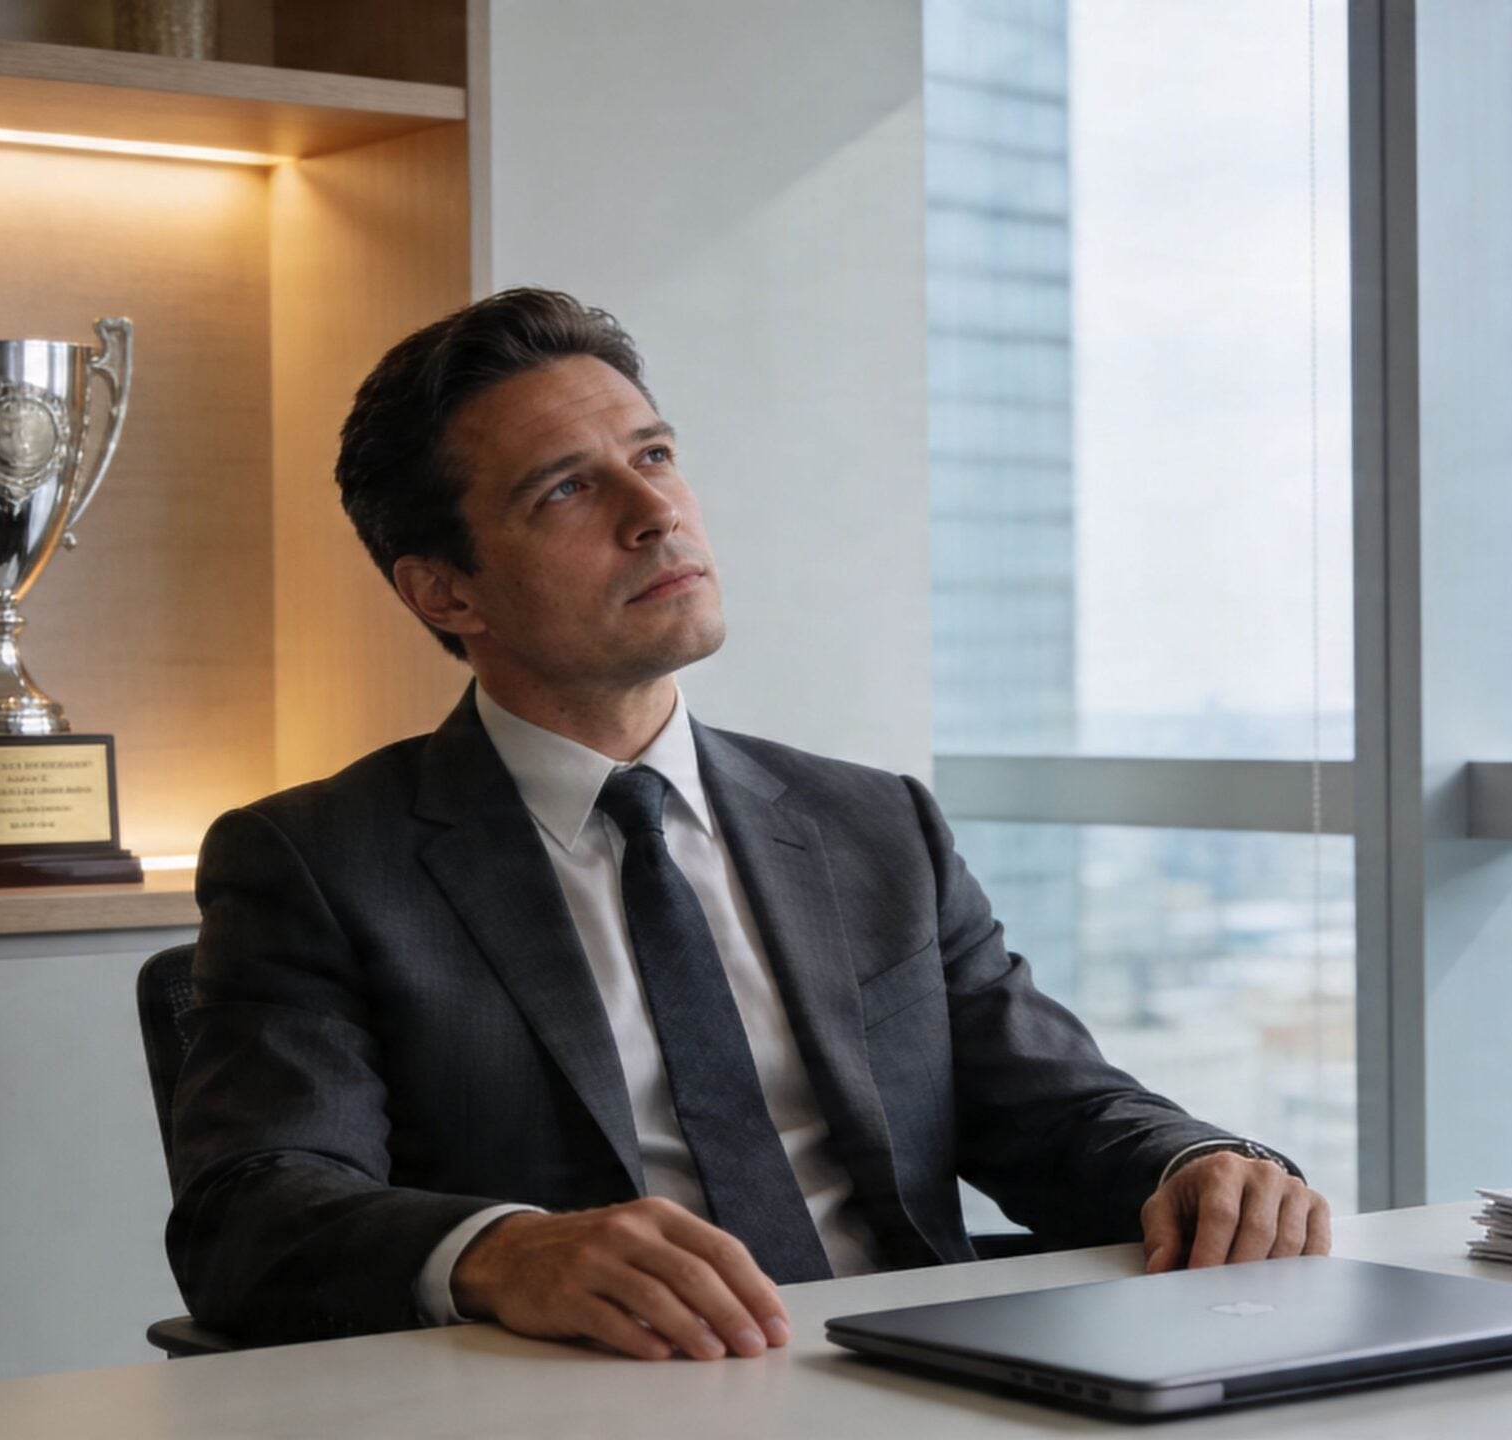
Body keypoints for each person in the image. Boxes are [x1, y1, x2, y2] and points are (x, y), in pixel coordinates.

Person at [165, 288, 1329, 1361]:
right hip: (600, 1396)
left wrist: (1197, 1164)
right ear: (444, 592)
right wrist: (500, 1251)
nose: (655, 511)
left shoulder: (871, 824)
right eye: (567, 488)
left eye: (656, 456)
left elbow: (1051, 1107)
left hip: (927, 1378)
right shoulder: (318, 862)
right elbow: (252, 1210)